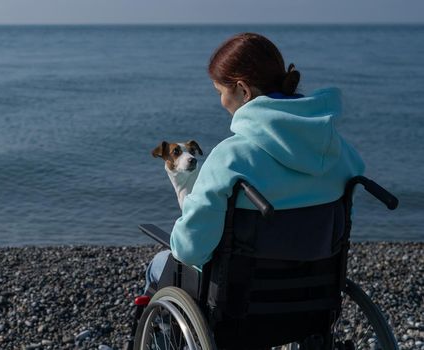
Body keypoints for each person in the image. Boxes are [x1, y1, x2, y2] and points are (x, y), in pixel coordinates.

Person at [144, 32, 365, 293]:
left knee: (159, 264)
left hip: (240, 300)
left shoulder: (229, 159)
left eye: (220, 92)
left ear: (243, 90)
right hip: (314, 292)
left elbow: (190, 250)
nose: (222, 102)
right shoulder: (340, 151)